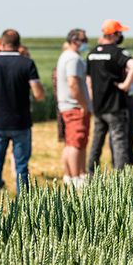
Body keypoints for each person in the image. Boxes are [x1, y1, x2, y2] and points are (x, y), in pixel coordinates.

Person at [0, 29, 45, 195]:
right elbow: (39, 94)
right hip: (21, 122)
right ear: (18, 45)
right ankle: (24, 206)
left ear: (2, 44)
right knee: (21, 166)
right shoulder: (27, 63)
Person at [86, 19, 133, 174]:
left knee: (96, 142)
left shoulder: (92, 54)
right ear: (114, 34)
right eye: (120, 32)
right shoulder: (118, 52)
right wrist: (125, 84)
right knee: (119, 142)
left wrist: (93, 100)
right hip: (116, 105)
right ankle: (120, 177)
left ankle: (91, 174)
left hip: (99, 106)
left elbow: (89, 80)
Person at [56, 29, 91, 186]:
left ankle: (69, 176)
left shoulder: (66, 56)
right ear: (75, 41)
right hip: (74, 105)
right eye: (84, 39)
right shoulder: (73, 59)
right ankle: (76, 177)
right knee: (76, 142)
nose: (86, 42)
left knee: (71, 142)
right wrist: (84, 104)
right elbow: (73, 83)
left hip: (67, 105)